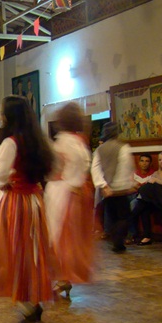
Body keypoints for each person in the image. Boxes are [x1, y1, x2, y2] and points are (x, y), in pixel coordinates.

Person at [0, 95, 56, 323]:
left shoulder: (10, 143)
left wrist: (4, 182)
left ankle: (28, 303)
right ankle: (31, 299)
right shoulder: (37, 142)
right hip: (34, 202)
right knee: (31, 252)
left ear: (8, 116)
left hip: (15, 204)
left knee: (12, 252)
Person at [44, 102, 95, 299]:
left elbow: (55, 170)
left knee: (58, 237)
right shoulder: (81, 141)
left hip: (61, 193)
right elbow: (83, 167)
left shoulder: (63, 141)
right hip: (78, 192)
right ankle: (64, 279)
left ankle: (62, 278)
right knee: (71, 239)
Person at [91, 122, 135, 253]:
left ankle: (117, 242)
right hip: (120, 189)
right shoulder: (123, 148)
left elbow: (95, 168)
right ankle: (118, 243)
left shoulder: (100, 149)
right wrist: (128, 185)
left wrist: (103, 185)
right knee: (123, 217)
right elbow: (126, 167)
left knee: (112, 216)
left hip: (107, 190)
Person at [129, 151, 162, 246]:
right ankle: (147, 237)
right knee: (145, 207)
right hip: (154, 200)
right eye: (160, 160)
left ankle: (134, 214)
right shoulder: (156, 173)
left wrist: (156, 180)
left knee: (146, 192)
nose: (161, 162)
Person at [125, 153, 155, 244]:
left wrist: (138, 187)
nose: (144, 163)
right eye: (142, 161)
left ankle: (132, 234)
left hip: (143, 198)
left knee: (133, 205)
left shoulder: (153, 174)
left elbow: (148, 189)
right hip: (131, 194)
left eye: (147, 161)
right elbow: (130, 187)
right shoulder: (134, 173)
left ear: (150, 163)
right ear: (139, 162)